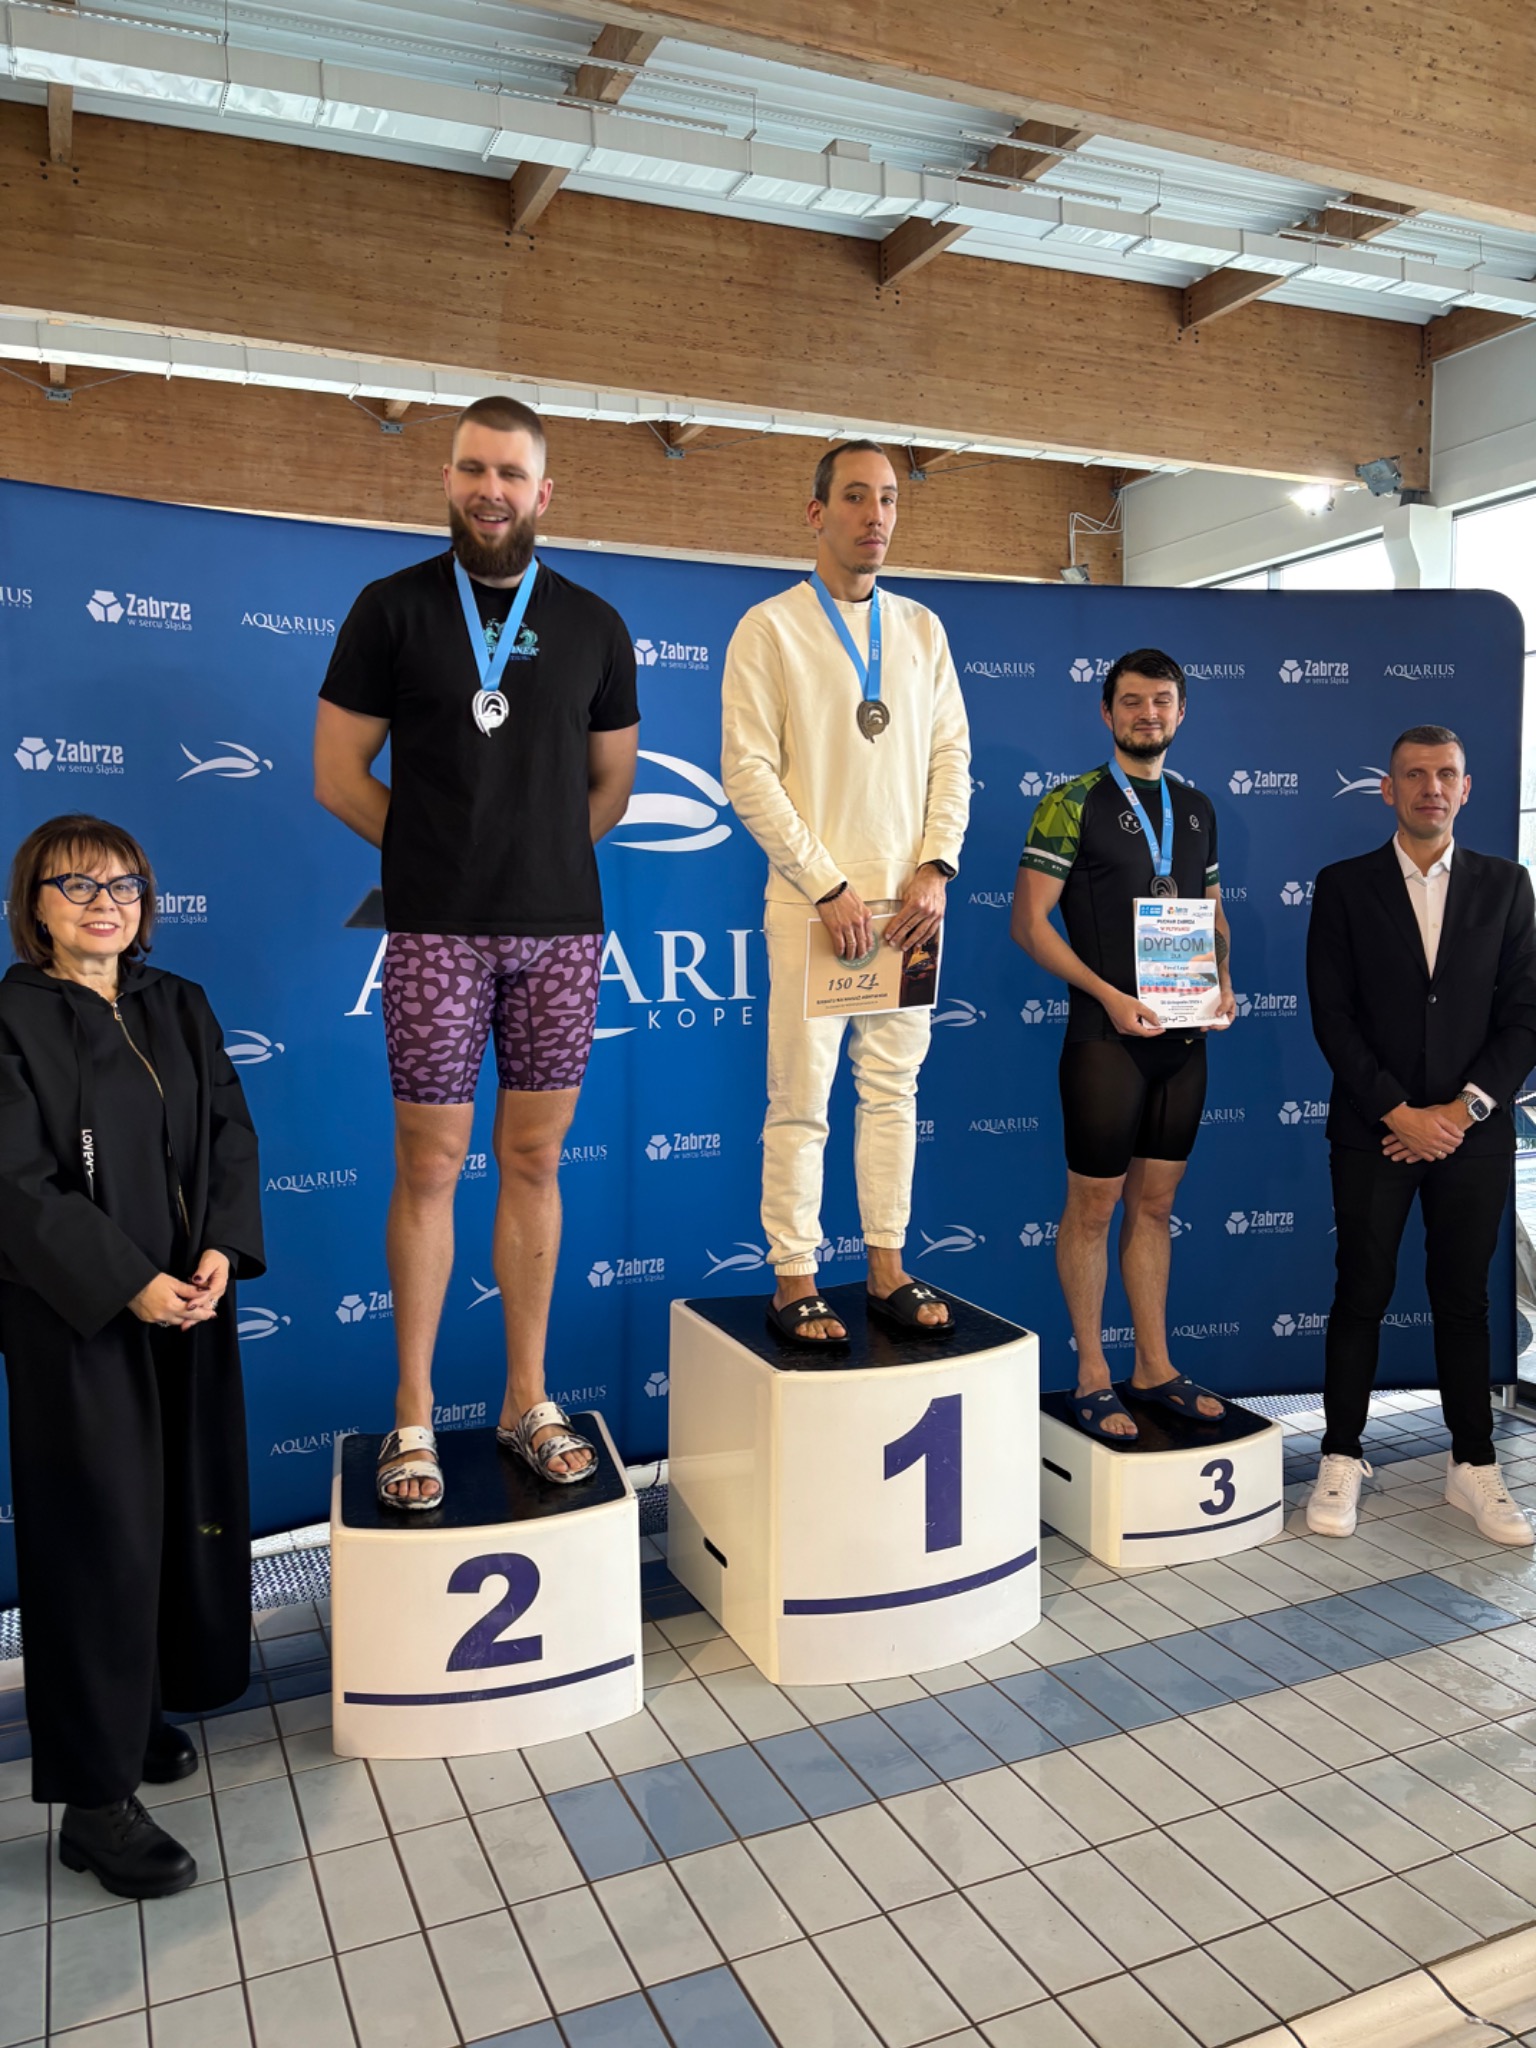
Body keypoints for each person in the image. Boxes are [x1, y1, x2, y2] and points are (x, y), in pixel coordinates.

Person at [314, 396, 639, 1507]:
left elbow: (611, 787)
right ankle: (412, 1413)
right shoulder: (391, 607)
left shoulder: (595, 623)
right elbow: (338, 773)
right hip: (435, 934)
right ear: (448, 479)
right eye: (471, 469)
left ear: (543, 491)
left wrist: (529, 859)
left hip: (560, 936)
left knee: (536, 1162)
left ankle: (526, 1399)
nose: (488, 489)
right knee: (428, 1167)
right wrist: (441, 858)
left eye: (509, 473)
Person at [0, 815, 263, 1898]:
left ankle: (138, 1708)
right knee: (95, 1541)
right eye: (76, 884)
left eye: (122, 885)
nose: (103, 902)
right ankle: (93, 1803)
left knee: (172, 1518)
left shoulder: (177, 1003)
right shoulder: (11, 1018)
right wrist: (127, 1282)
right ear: (33, 902)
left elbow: (229, 1133)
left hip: (187, 1309)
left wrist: (217, 1251)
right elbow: (16, 1185)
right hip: (79, 1321)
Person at [720, 440, 970, 1344]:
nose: (876, 516)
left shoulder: (922, 629)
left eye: (890, 498)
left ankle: (887, 1268)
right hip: (815, 905)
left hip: (909, 907)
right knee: (801, 1100)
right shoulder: (770, 628)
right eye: (857, 497)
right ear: (817, 512)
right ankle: (794, 1276)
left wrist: (937, 867)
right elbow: (747, 771)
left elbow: (951, 757)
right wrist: (823, 882)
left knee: (893, 1092)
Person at [1304, 724, 1536, 1542]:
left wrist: (1459, 1113)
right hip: (1375, 1132)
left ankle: (1473, 1464)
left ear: (1465, 789)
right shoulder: (1343, 885)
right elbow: (1332, 1015)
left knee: (1465, 1300)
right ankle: (1341, 1455)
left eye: (1445, 774)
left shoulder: (1508, 885)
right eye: (1414, 774)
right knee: (1360, 1293)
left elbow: (1525, 1015)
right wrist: (1400, 1114)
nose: (1431, 787)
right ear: (1388, 789)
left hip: (1473, 1136)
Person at [1012, 649, 1236, 1440]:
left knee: (1156, 1205)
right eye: (1133, 701)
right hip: (1105, 1039)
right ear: (1107, 712)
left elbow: (1210, 910)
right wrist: (1107, 994)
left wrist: (1223, 982)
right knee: (1093, 1209)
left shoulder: (1197, 806)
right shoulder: (1069, 802)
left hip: (1184, 1039)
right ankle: (1091, 1374)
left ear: (1182, 712)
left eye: (1162, 701)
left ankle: (1154, 1366)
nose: (1149, 714)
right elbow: (1028, 924)